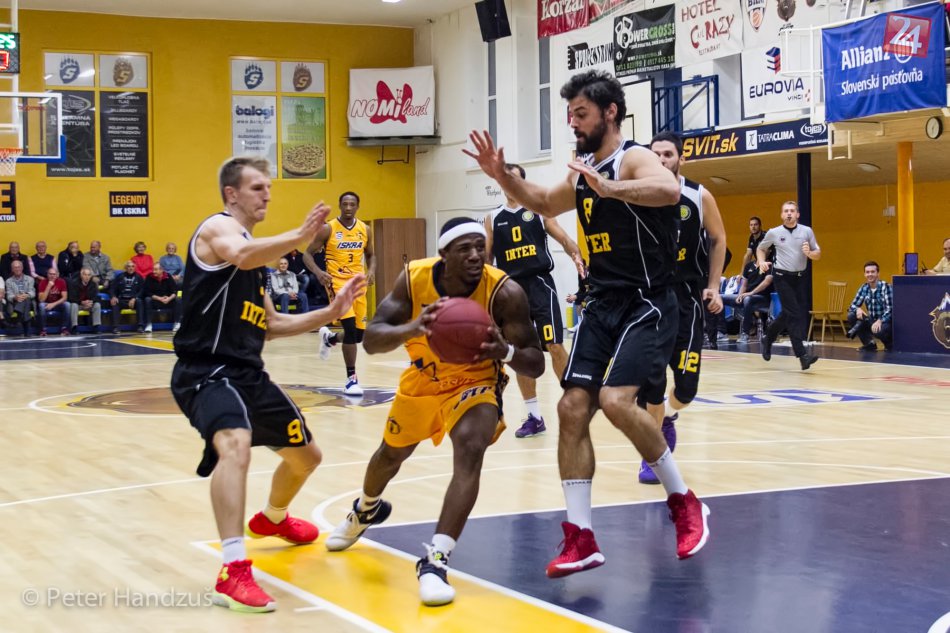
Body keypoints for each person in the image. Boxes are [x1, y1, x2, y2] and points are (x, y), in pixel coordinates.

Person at [464, 69, 711, 575]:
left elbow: (668, 189)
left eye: (581, 113)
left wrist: (611, 187)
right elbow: (541, 202)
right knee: (572, 407)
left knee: (616, 401)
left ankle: (684, 502)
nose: (573, 123)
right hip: (601, 303)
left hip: (647, 301)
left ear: (610, 113)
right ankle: (581, 537)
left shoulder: (632, 158)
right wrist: (502, 175)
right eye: (570, 115)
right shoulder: (583, 171)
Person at [170, 156, 366, 613]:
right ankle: (232, 570)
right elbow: (240, 253)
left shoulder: (255, 261)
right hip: (205, 372)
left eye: (269, 188)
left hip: (248, 374)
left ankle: (273, 518)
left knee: (307, 458)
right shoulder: (217, 230)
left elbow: (272, 325)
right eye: (258, 187)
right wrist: (301, 236)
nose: (267, 195)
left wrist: (330, 312)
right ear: (231, 194)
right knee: (235, 444)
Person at [325, 218, 543, 606]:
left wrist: (505, 352)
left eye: (480, 247)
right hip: (424, 377)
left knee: (471, 448)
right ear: (443, 254)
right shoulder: (414, 279)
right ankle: (366, 510)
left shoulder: (505, 292)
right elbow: (372, 340)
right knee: (389, 455)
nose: (475, 255)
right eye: (465, 248)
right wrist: (413, 329)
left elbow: (536, 363)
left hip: (475, 378)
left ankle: (435, 561)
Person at [638, 131, 725, 485]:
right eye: (655, 154)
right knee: (651, 382)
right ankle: (652, 455)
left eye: (668, 154)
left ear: (680, 158)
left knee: (686, 389)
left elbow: (718, 238)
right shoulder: (637, 194)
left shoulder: (698, 195)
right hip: (650, 297)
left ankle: (670, 416)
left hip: (687, 298)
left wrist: (714, 286)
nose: (661, 160)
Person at [485, 162, 582, 438]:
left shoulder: (538, 211)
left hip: (540, 284)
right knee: (520, 353)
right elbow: (487, 259)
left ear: (523, 184)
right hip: (511, 292)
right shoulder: (493, 218)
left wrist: (576, 256)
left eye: (514, 179)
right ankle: (534, 417)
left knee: (554, 344)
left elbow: (563, 238)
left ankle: (575, 405)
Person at [308, 191, 376, 396]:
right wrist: (319, 272)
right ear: (339, 206)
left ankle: (330, 339)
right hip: (337, 283)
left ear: (357, 207)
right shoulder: (328, 228)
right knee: (350, 329)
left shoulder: (365, 229)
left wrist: (371, 271)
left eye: (352, 204)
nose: (348, 208)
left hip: (358, 284)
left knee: (358, 336)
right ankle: (351, 379)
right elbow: (307, 255)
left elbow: (371, 255)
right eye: (345, 204)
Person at [757, 201, 821, 371]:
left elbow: (818, 254)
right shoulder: (774, 232)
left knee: (788, 313)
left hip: (800, 277)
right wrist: (761, 262)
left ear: (797, 214)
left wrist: (809, 253)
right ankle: (802, 355)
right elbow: (761, 249)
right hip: (781, 277)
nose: (789, 213)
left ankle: (768, 338)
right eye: (786, 211)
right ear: (781, 214)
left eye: (792, 211)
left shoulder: (806, 231)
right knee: (794, 314)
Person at [846, 261, 893, 351]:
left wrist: (880, 320)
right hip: (872, 320)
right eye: (867, 272)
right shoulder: (864, 288)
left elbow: (891, 309)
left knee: (880, 330)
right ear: (864, 274)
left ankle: (889, 344)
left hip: (886, 322)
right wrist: (857, 309)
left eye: (872, 272)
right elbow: (853, 305)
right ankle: (869, 343)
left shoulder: (886, 287)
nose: (870, 274)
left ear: (878, 273)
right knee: (851, 315)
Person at [143, 262, 181, 333]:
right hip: (156, 300)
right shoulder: (149, 277)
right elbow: (147, 292)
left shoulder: (168, 276)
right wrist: (159, 298)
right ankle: (149, 324)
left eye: (156, 270)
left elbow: (175, 291)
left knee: (178, 299)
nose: (153, 271)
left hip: (167, 301)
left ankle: (177, 323)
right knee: (147, 299)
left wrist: (169, 298)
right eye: (153, 269)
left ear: (161, 270)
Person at [110, 261, 145, 334]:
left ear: (135, 268)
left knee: (140, 302)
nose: (131, 268)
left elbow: (142, 290)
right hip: (122, 299)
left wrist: (135, 298)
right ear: (125, 268)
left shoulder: (139, 277)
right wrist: (113, 296)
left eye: (132, 266)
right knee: (115, 303)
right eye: (129, 266)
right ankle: (116, 327)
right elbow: (112, 288)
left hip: (133, 300)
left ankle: (140, 326)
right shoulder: (120, 277)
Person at [67, 266, 102, 334]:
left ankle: (96, 327)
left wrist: (91, 302)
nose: (87, 277)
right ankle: (74, 327)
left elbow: (97, 297)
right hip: (79, 304)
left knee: (97, 305)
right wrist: (81, 302)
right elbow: (71, 298)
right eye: (85, 275)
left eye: (89, 275)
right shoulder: (74, 283)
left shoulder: (93, 284)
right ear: (81, 275)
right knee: (73, 305)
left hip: (89, 305)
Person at [5, 260, 35, 336]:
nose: (17, 269)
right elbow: (9, 295)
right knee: (26, 302)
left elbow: (32, 292)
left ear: (22, 268)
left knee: (26, 300)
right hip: (15, 302)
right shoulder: (8, 281)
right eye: (15, 267)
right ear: (12, 269)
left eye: (19, 267)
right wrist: (15, 297)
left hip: (27, 300)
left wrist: (26, 295)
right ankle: (27, 330)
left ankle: (17, 313)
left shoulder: (30, 279)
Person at [37, 268, 69, 336]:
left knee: (67, 304)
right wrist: (48, 286)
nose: (52, 276)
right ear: (47, 275)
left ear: (57, 275)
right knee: (41, 305)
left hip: (57, 304)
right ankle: (43, 329)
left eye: (54, 274)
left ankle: (64, 328)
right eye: (50, 274)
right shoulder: (43, 282)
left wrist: (53, 304)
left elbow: (64, 298)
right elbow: (41, 300)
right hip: (46, 304)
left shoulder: (61, 281)